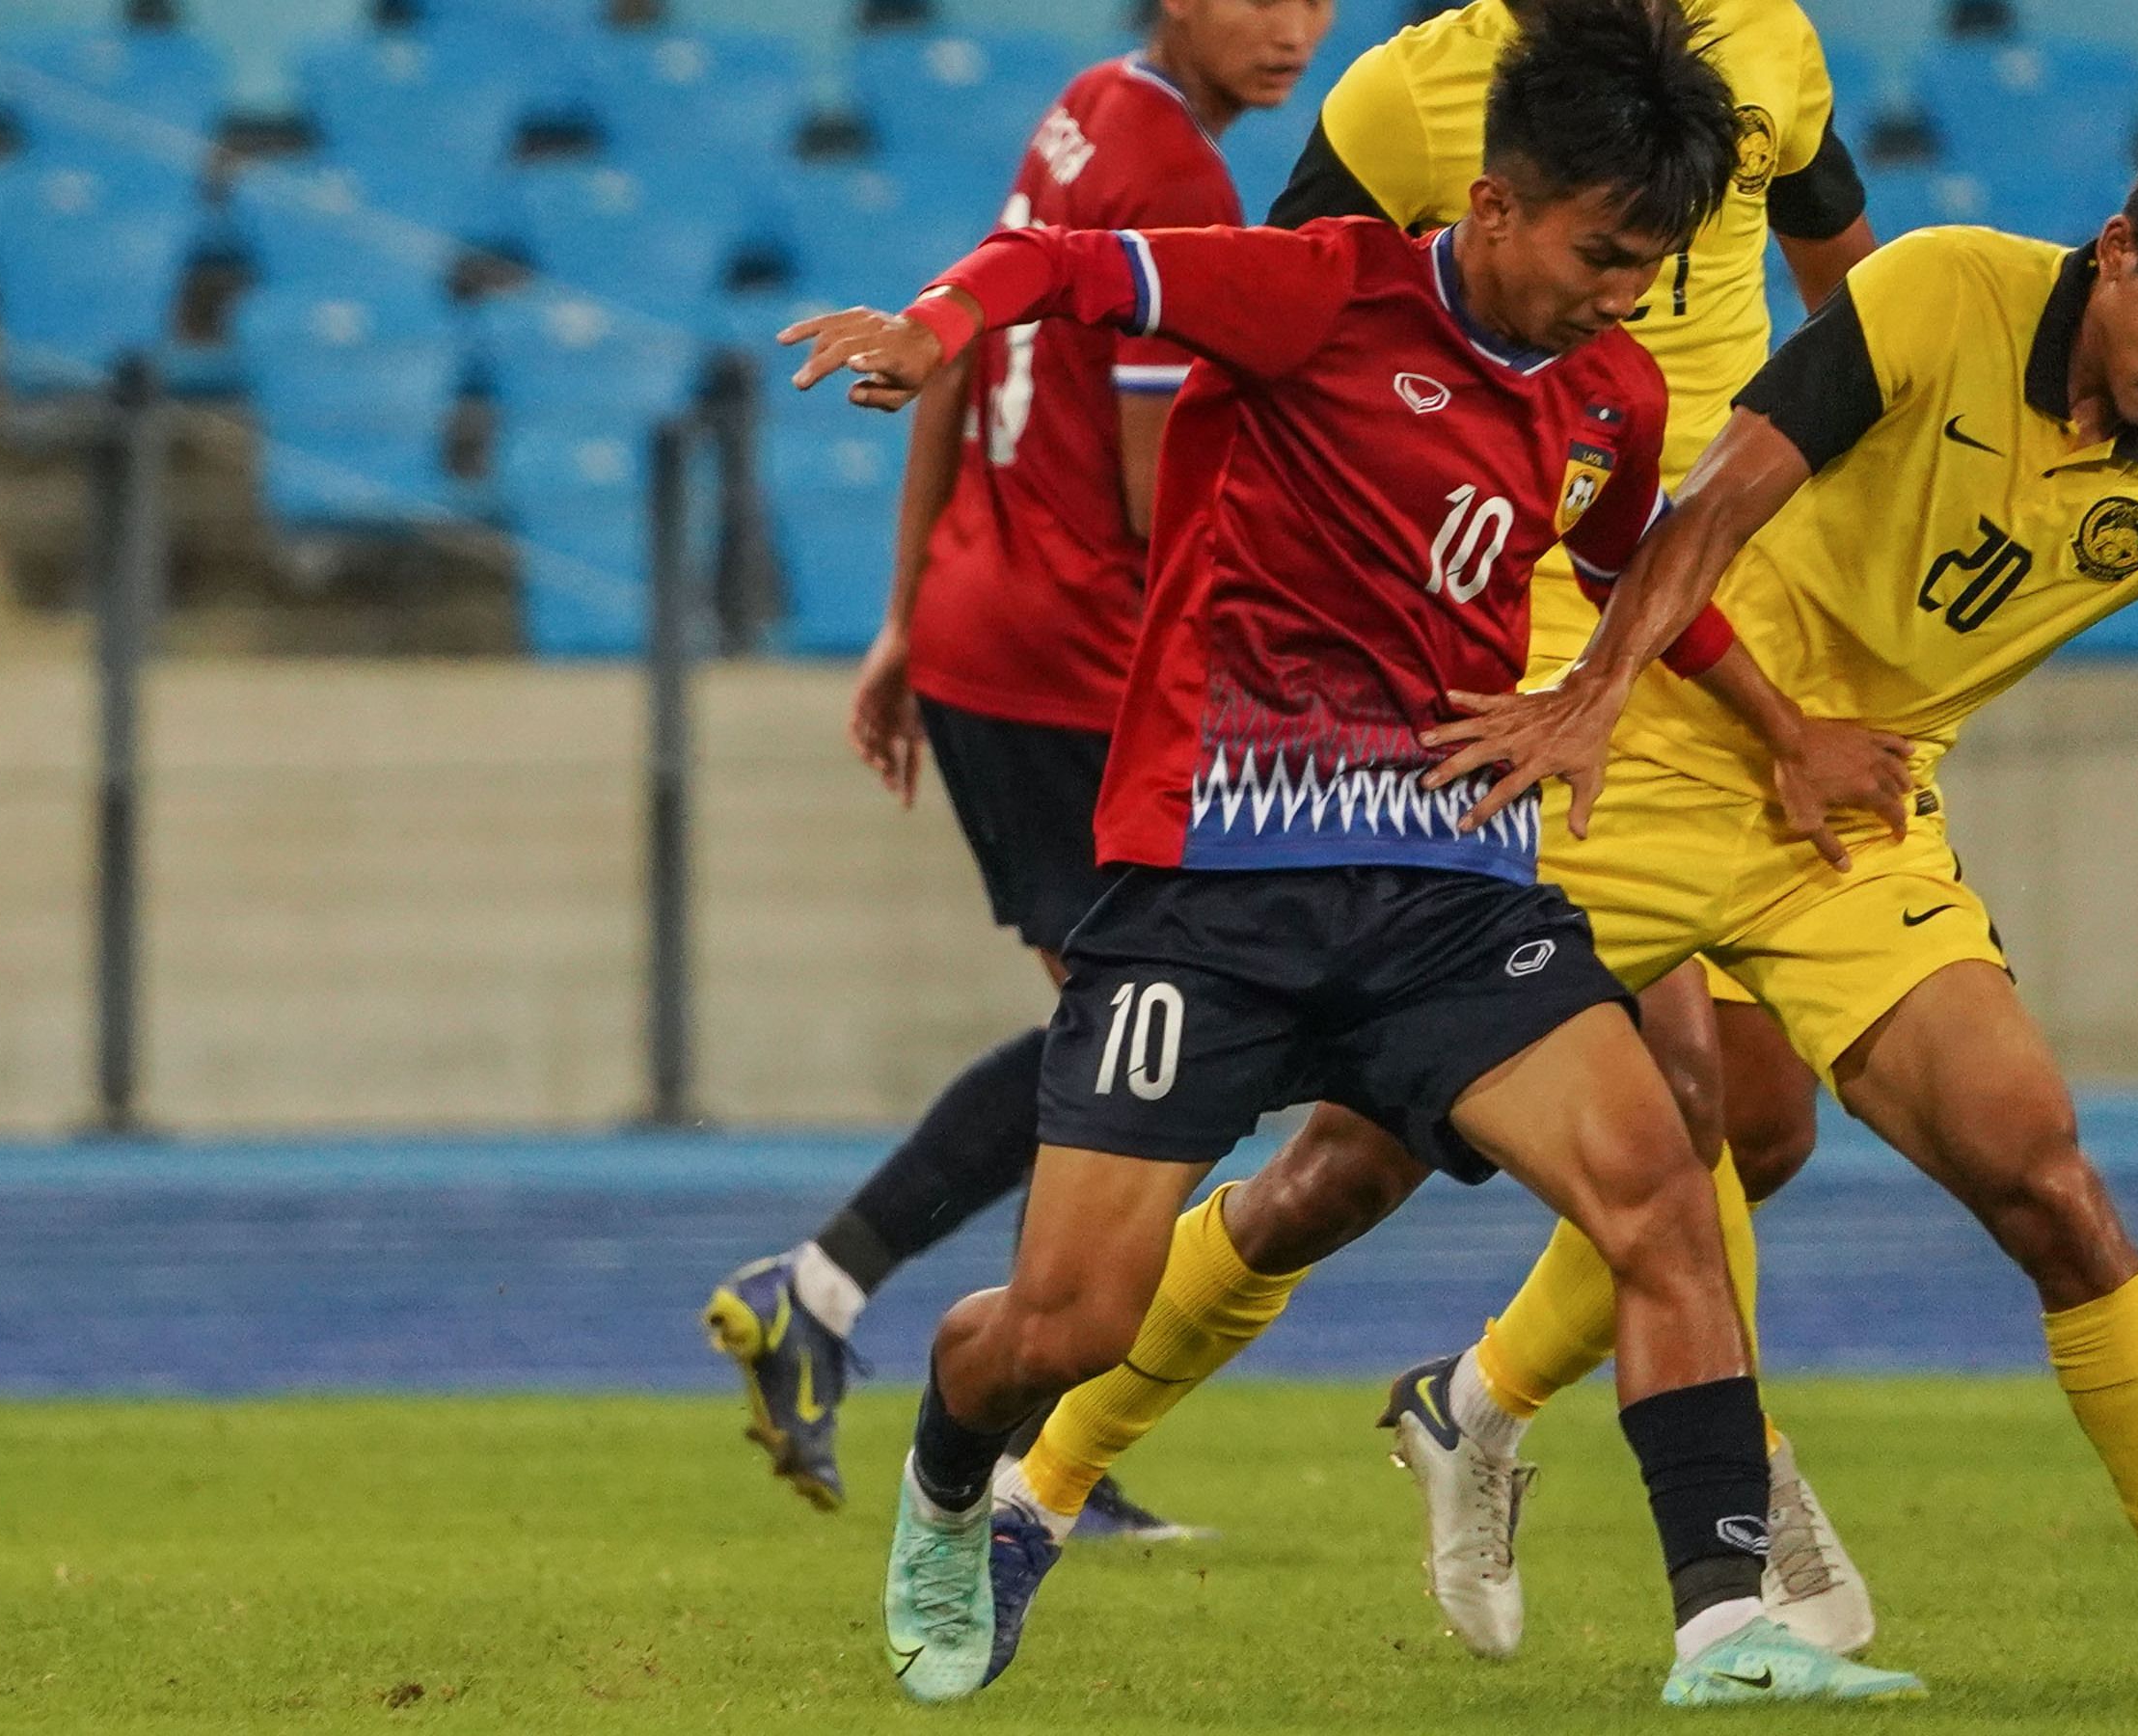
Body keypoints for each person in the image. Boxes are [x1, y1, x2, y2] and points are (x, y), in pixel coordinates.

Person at [994, 104, 2138, 1701]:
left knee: (2044, 1178)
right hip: (1644, 754)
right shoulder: (1940, 290)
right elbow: (1709, 504)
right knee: (1342, 1174)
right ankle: (1043, 1483)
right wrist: (1591, 697)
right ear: (2122, 248)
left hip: (1849, 820)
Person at [780, 0, 1918, 1707]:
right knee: (1069, 1324)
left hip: (1446, 890)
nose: (1626, 297)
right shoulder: (1315, 289)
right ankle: (955, 1475)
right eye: (1602, 255)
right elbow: (1063, 265)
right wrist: (935, 329)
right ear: (1494, 203)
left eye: (1653, 267)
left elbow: (1638, 582)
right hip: (1211, 888)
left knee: (1663, 1198)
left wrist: (1774, 726)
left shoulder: (1607, 394)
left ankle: (1724, 1629)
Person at [701, 0, 1329, 1531]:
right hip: (1077, 666)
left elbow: (958, 344)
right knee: (1161, 1060)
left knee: (1121, 1044)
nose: (1296, 26)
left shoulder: (1089, 109)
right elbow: (1159, 493)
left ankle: (870, 1322)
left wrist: (906, 610)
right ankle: (960, 1391)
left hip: (990, 630)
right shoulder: (1177, 177)